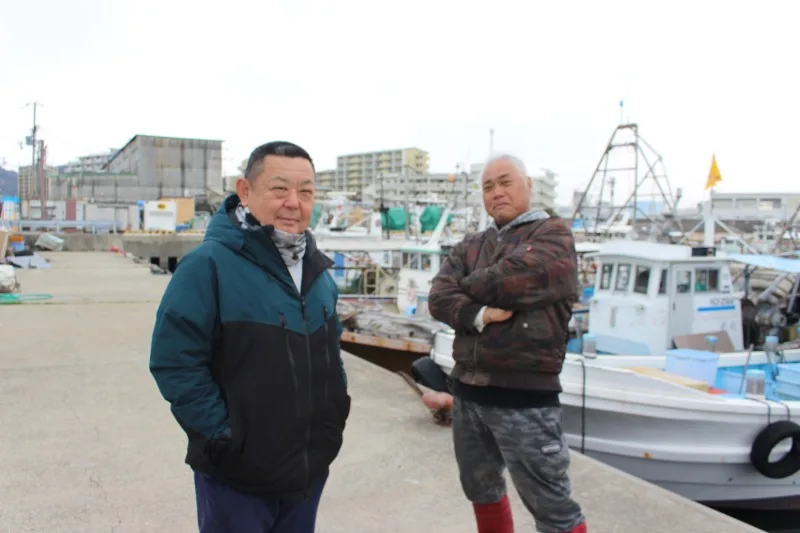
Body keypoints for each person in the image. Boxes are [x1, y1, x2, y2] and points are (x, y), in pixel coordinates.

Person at [149, 141, 350, 533]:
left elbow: (332, 352)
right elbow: (175, 362)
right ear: (245, 191)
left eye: (306, 192)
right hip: (236, 478)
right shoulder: (207, 266)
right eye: (279, 189)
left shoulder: (318, 273)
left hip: (307, 471)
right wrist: (223, 437)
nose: (293, 203)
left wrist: (334, 414)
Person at [428, 154, 587, 533]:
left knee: (552, 504)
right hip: (468, 392)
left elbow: (514, 279)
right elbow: (438, 298)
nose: (496, 192)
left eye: (505, 182)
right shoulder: (471, 244)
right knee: (480, 488)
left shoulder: (554, 234)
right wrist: (480, 313)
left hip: (526, 397)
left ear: (528, 186)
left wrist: (465, 287)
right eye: (488, 187)